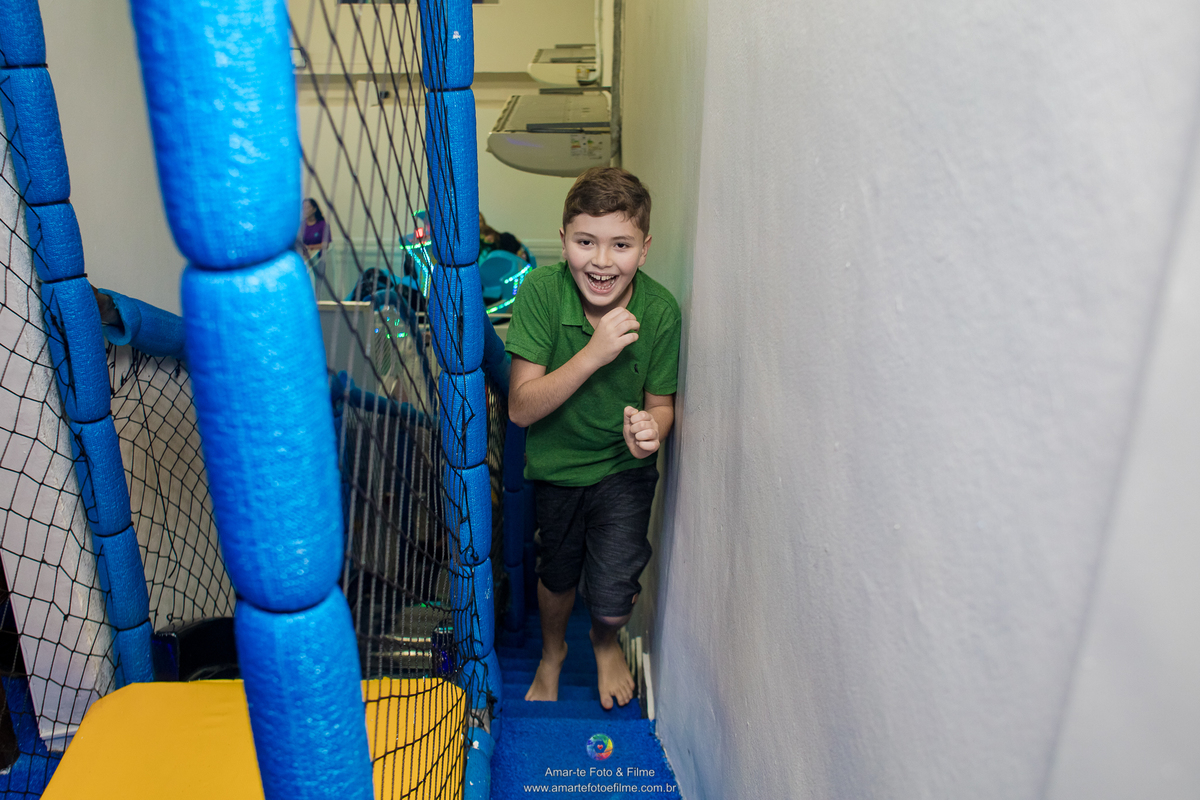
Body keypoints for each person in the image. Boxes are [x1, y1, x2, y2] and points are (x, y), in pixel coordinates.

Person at [504, 167, 681, 710]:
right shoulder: (541, 292)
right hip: (557, 469)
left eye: (620, 245)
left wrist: (651, 432)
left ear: (643, 250)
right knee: (557, 578)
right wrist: (594, 354)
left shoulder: (660, 312)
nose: (602, 261)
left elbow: (662, 408)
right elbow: (519, 408)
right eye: (586, 242)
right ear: (563, 242)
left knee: (612, 597)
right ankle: (552, 653)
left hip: (623, 472)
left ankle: (604, 641)